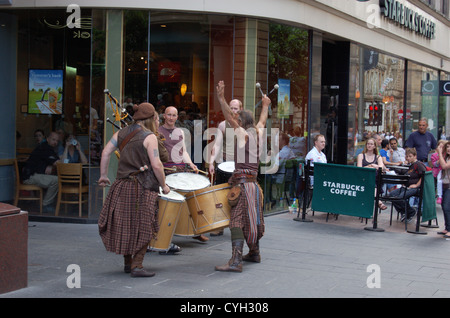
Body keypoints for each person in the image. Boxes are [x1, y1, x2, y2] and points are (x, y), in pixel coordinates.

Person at [97, 102, 170, 278]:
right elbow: (157, 164)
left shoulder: (121, 133)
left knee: (126, 225)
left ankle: (128, 263)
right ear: (152, 118)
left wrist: (103, 175)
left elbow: (106, 153)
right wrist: (164, 185)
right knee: (145, 225)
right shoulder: (149, 136)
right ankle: (137, 266)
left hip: (122, 185)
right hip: (142, 187)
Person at [214, 80, 270, 273]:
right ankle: (254, 253)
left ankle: (236, 261)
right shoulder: (258, 131)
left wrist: (221, 98)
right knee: (252, 219)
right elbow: (262, 120)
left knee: (237, 221)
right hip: (254, 186)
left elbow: (229, 117)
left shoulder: (243, 134)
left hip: (243, 186)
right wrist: (265, 105)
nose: (235, 121)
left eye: (239, 119)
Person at [158, 106, 208, 243]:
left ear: (177, 117)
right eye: (169, 115)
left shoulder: (180, 131)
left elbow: (184, 151)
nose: (171, 118)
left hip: (181, 169)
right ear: (164, 115)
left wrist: (191, 164)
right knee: (168, 205)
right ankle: (164, 235)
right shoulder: (157, 132)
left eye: (174, 115)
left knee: (192, 201)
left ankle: (196, 231)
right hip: (166, 171)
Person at [22, 131, 60, 213]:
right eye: (53, 139)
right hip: (30, 176)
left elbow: (56, 161)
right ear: (47, 139)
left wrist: (51, 165)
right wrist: (53, 164)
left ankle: (46, 204)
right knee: (57, 180)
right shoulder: (45, 148)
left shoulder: (46, 147)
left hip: (33, 175)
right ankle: (46, 205)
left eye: (57, 141)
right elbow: (58, 163)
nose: (55, 142)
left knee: (55, 179)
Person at [387, 147, 427, 223]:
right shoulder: (410, 166)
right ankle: (404, 212)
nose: (408, 158)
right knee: (392, 195)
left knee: (400, 197)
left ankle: (410, 211)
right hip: (406, 187)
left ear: (415, 156)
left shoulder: (418, 164)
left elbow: (424, 176)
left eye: (410, 156)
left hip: (416, 188)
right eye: (407, 156)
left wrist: (416, 185)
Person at [209, 98, 243, 182]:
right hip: (224, 163)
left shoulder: (244, 125)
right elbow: (216, 145)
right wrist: (211, 162)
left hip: (239, 164)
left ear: (241, 109)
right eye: (231, 108)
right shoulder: (222, 125)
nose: (233, 111)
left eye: (235, 108)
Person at [357, 138, 387, 210]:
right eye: (368, 144)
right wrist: (372, 166)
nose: (369, 145)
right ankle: (378, 201)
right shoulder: (361, 155)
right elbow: (359, 168)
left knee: (373, 181)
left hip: (375, 179)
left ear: (374, 146)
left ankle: (378, 201)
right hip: (363, 179)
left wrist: (370, 166)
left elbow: (381, 168)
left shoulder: (378, 157)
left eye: (371, 144)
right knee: (371, 182)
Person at [437, 141, 450, 237]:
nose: (449, 149)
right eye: (447, 147)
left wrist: (440, 154)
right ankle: (447, 227)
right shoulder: (447, 157)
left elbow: (445, 166)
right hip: (444, 185)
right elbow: (436, 164)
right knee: (444, 207)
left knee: (446, 207)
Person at [432, 140, 447, 205]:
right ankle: (439, 196)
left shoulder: (447, 155)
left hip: (445, 173)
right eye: (439, 147)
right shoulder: (434, 155)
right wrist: (439, 159)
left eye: (442, 147)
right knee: (437, 183)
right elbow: (434, 164)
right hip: (436, 173)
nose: (441, 148)